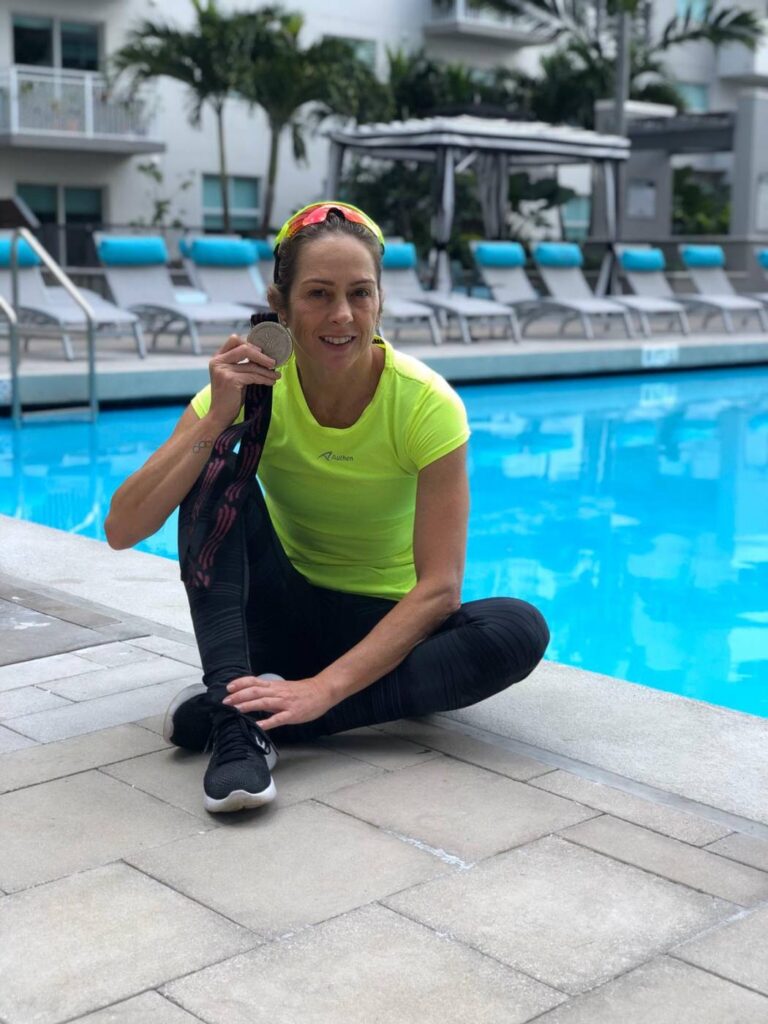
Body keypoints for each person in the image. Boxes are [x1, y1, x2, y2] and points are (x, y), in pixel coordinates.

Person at [105, 201, 549, 814]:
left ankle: (244, 717)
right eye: (318, 294)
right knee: (210, 472)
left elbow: (440, 589)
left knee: (516, 629)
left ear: (379, 302)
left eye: (359, 293)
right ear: (279, 307)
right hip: (278, 619)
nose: (341, 315)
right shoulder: (250, 390)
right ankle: (242, 724)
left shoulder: (425, 404)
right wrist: (214, 419)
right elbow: (123, 529)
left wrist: (322, 693)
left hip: (384, 633)